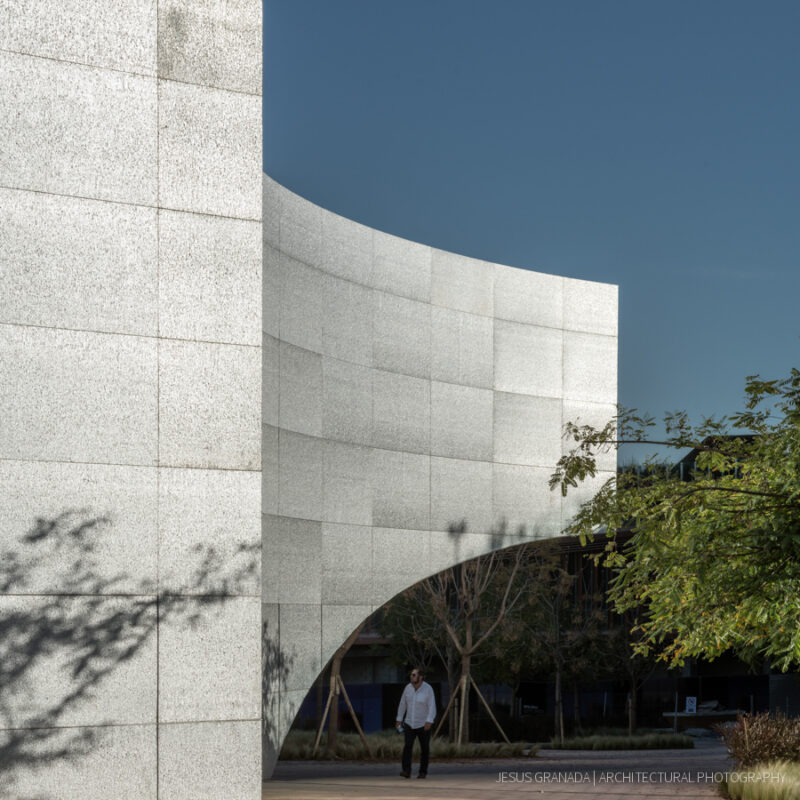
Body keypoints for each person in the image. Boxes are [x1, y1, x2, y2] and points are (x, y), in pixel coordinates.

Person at [395, 667, 436, 779]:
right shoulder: (407, 688)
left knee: (425, 748)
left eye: (414, 675)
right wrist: (399, 720)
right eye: (411, 675)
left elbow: (432, 706)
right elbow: (402, 704)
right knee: (407, 746)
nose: (411, 676)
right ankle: (406, 771)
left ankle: (423, 772)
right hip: (409, 723)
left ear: (420, 677)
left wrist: (429, 721)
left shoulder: (428, 689)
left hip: (423, 724)